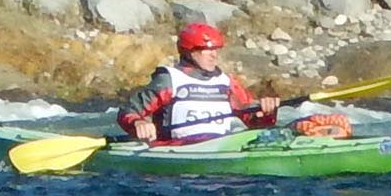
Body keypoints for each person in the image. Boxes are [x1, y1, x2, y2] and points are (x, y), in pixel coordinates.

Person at [118, 20, 283, 145]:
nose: (214, 55)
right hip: (177, 149)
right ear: (190, 52)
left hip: (220, 146)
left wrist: (267, 112)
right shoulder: (169, 80)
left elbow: (254, 122)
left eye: (215, 50)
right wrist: (138, 123)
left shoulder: (227, 83)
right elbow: (128, 111)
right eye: (206, 50)